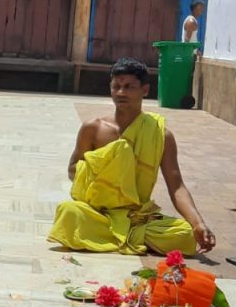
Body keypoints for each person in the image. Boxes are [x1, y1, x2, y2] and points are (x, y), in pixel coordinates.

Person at [47, 57, 216, 256]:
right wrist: (107, 172)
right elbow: (73, 169)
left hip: (138, 216)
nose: (121, 93)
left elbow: (176, 185)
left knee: (185, 234)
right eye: (116, 86)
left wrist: (198, 222)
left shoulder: (160, 135)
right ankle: (129, 237)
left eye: (129, 87)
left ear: (144, 90)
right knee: (68, 213)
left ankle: (117, 236)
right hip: (99, 213)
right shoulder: (93, 128)